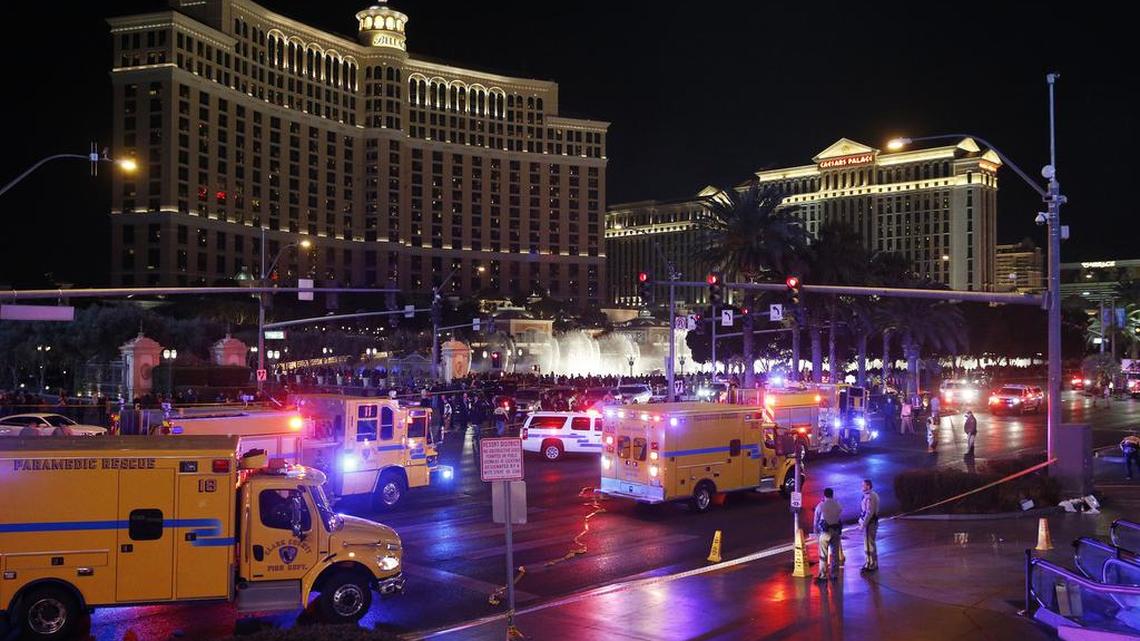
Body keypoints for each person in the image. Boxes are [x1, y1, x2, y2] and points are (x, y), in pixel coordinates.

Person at [813, 487, 843, 581]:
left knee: (823, 554)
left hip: (825, 532)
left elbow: (816, 520)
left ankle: (823, 575)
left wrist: (816, 532)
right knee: (835, 554)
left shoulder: (821, 506)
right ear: (832, 495)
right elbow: (839, 515)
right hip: (836, 531)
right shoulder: (837, 505)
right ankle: (834, 574)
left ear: (824, 495)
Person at [859, 479, 880, 572]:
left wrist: (863, 524)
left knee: (870, 544)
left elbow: (869, 512)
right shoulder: (869, 495)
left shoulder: (870, 496)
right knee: (867, 544)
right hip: (869, 523)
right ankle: (868, 562)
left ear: (868, 486)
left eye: (863, 485)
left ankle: (873, 564)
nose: (862, 487)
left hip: (870, 524)